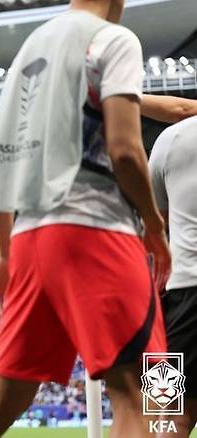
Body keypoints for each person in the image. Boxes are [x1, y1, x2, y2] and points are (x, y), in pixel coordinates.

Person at [0, 0, 172, 436]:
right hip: (96, 229)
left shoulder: (33, 48)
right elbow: (125, 151)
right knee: (152, 394)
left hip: (30, 240)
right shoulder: (113, 39)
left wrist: (4, 254)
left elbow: (3, 159)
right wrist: (153, 223)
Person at [149, 115, 197, 438]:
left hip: (182, 296)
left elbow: (156, 222)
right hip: (180, 291)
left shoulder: (171, 139)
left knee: (165, 416)